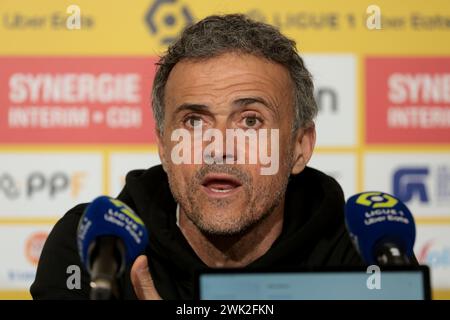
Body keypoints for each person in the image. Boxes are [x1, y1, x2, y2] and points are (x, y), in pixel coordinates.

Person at [31, 14, 363, 300]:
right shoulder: (96, 248)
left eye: (250, 121)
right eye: (194, 122)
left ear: (299, 147)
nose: (219, 147)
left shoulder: (361, 257)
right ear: (163, 146)